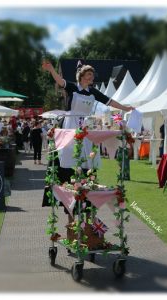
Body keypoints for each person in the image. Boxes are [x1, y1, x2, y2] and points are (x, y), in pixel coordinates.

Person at [42, 61, 135, 219]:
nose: (91, 77)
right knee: (69, 152)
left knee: (86, 154)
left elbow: (109, 101)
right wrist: (51, 69)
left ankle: (85, 181)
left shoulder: (93, 92)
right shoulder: (72, 87)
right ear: (82, 77)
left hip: (85, 124)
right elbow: (60, 81)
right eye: (89, 75)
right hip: (71, 123)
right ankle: (69, 182)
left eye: (92, 75)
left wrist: (125, 108)